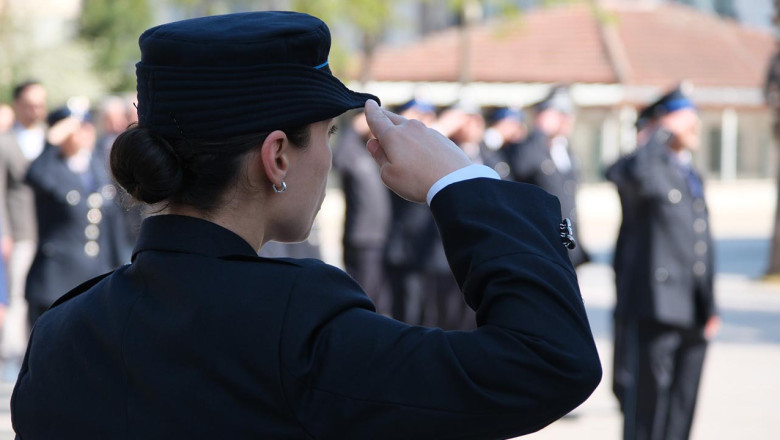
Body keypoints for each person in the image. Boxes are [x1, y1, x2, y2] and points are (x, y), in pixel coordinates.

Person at [11, 12, 601, 439]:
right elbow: (549, 363)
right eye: (329, 134)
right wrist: (461, 183)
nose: (331, 156)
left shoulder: (63, 332)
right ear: (277, 156)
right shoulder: (302, 327)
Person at [606, 86, 720, 440]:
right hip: (654, 305)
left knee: (682, 406)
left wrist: (710, 303)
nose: (694, 127)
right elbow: (630, 175)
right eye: (686, 120)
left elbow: (701, 241)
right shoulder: (645, 166)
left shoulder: (688, 173)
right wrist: (660, 134)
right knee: (647, 407)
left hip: (693, 307)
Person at [23, 99, 133, 326]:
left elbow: (113, 222)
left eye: (86, 127)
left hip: (94, 278)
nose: (83, 133)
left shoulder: (97, 166)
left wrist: (120, 268)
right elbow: (34, 176)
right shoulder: (50, 168)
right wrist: (51, 141)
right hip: (55, 280)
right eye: (75, 129)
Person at [512, 85, 589, 267]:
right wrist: (540, 130)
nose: (567, 120)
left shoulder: (565, 150)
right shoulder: (533, 147)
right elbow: (521, 166)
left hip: (566, 245)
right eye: (561, 114)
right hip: (540, 245)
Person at [0, 81, 46, 380]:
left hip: (50, 232)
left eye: (40, 104)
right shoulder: (5, 142)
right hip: (20, 231)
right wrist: (5, 232)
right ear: (18, 104)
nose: (36, 110)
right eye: (30, 104)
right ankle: (13, 357)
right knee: (17, 295)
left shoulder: (48, 140)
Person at [332, 110, 391, 314]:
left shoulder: (374, 152)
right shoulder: (352, 150)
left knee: (381, 302)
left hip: (383, 238)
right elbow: (337, 159)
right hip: (362, 238)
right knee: (363, 298)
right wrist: (355, 127)